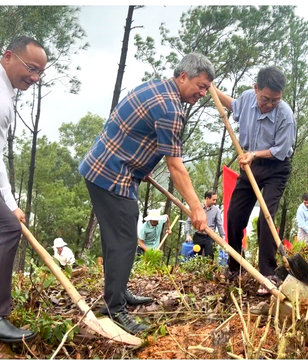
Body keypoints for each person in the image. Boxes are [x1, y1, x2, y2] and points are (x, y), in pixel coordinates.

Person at [79, 52, 213, 334]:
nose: (203, 93)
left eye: (206, 88)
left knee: (116, 237)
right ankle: (114, 308)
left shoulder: (155, 87)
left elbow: (129, 125)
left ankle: (118, 290)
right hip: (112, 175)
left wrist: (141, 162)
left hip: (102, 165)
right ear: (183, 76)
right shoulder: (171, 109)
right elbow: (176, 166)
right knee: (125, 241)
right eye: (200, 86)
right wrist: (197, 208)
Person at [213, 66, 296, 296]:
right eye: (265, 99)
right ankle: (235, 266)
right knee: (234, 215)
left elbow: (281, 149)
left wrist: (255, 154)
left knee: (265, 218)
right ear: (256, 88)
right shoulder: (248, 99)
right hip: (250, 165)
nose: (269, 104)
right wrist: (212, 87)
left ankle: (268, 274)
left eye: (275, 100)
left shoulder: (285, 116)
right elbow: (233, 105)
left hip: (276, 167)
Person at [0, 36, 46, 343]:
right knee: (7, 228)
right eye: (31, 68)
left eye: (40, 72)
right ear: (7, 57)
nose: (34, 77)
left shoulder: (7, 91)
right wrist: (10, 202)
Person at [184, 190, 225, 259]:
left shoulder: (216, 210)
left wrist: (222, 237)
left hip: (209, 237)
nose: (215, 202)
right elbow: (188, 221)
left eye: (216, 200)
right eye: (213, 200)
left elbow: (219, 224)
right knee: (196, 258)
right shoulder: (197, 208)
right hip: (198, 236)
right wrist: (187, 234)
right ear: (207, 198)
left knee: (210, 258)